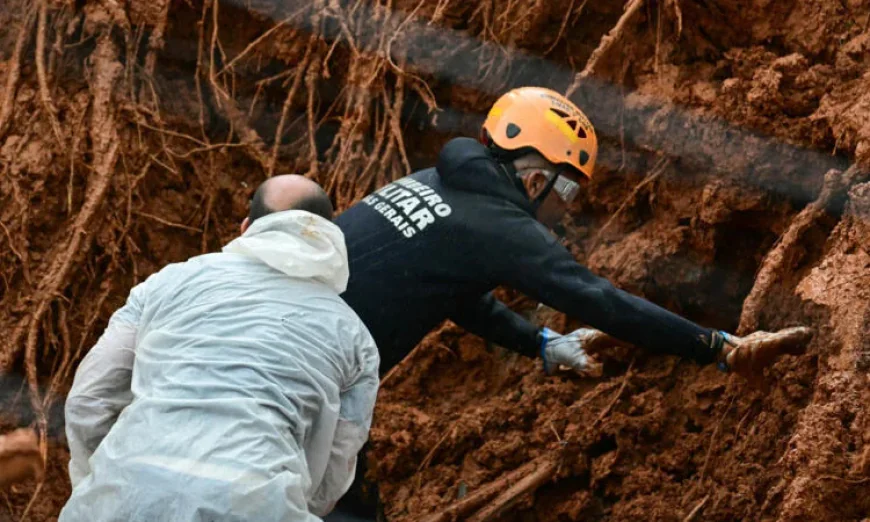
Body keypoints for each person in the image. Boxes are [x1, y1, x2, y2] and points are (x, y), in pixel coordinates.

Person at [328, 86, 811, 520]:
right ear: (537, 180)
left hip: (276, 333)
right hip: (305, 373)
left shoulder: (432, 181)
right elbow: (600, 300)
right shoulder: (502, 226)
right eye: (569, 188)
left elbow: (451, 291)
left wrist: (540, 342)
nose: (569, 206)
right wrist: (715, 346)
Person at [60, 175, 379, 522]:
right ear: (329, 239)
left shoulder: (167, 284)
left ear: (246, 228)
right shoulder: (354, 338)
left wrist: (102, 484)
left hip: (127, 490)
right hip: (255, 505)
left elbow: (88, 399)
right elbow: (336, 464)